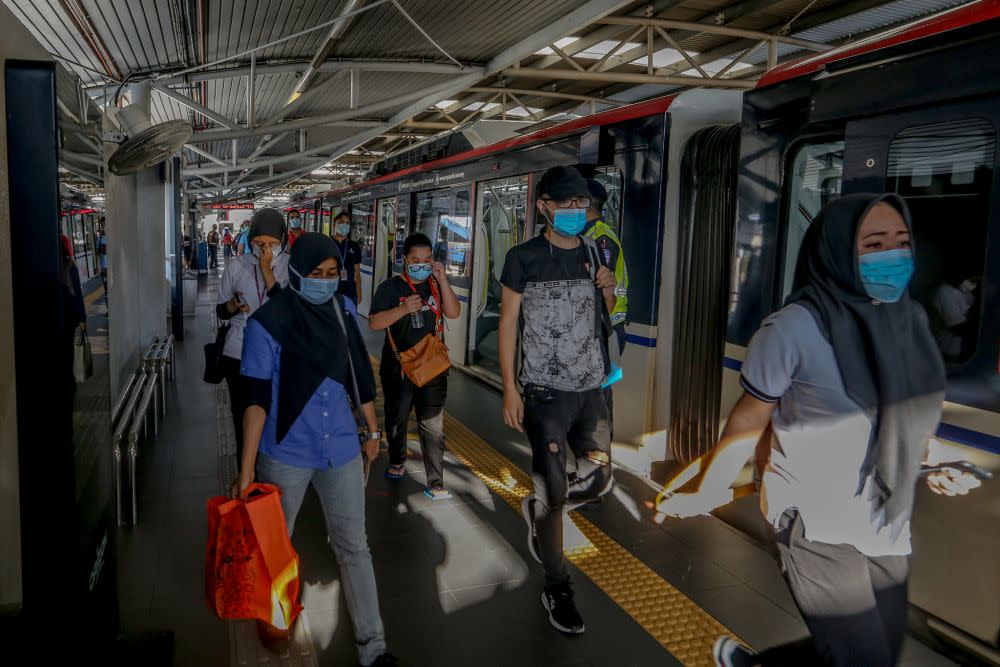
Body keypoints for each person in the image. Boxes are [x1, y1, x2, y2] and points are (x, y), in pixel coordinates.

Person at [649, 194, 983, 667]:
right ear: (838, 250)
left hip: (885, 517)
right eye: (874, 244)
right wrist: (711, 488)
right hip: (812, 517)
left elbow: (901, 418)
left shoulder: (908, 321)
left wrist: (936, 461)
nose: (893, 256)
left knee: (876, 651)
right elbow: (749, 418)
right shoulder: (793, 329)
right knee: (862, 657)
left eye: (902, 242)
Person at [232, 233, 397, 667]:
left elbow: (359, 374)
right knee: (276, 544)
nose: (325, 282)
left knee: (354, 546)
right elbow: (255, 400)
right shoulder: (267, 322)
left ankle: (373, 646)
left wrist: (373, 431)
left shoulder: (342, 311)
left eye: (332, 273)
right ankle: (275, 615)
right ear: (297, 273)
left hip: (341, 446)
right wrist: (247, 468)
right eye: (316, 275)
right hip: (285, 450)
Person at [498, 165, 617, 635]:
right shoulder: (523, 257)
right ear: (544, 205)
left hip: (591, 390)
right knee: (552, 491)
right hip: (544, 392)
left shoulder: (593, 252)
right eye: (565, 203)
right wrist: (510, 386)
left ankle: (544, 510)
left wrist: (608, 290)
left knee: (601, 478)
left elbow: (607, 316)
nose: (575, 211)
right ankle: (557, 584)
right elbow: (508, 322)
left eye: (581, 204)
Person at [369, 232, 461, 499]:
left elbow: (453, 312)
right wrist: (401, 310)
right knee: (397, 419)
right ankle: (397, 459)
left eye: (428, 259)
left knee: (432, 424)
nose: (422, 264)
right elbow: (374, 323)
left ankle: (435, 480)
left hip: (432, 367)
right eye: (416, 260)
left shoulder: (434, 284)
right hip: (398, 368)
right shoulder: (390, 288)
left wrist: (443, 280)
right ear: (405, 261)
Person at [216, 209, 289, 467]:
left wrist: (266, 269)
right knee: (242, 416)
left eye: (272, 244)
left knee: (276, 415)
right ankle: (247, 472)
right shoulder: (237, 266)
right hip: (239, 353)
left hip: (278, 354)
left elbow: (287, 308)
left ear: (283, 241)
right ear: (250, 241)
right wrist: (233, 305)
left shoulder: (289, 267)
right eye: (259, 244)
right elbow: (220, 310)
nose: (265, 249)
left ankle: (273, 471)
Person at [332, 212, 363, 304]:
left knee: (350, 317)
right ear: (334, 225)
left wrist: (359, 292)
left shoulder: (354, 246)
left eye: (347, 223)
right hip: (331, 292)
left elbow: (357, 271)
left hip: (350, 292)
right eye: (342, 222)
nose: (345, 225)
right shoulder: (327, 244)